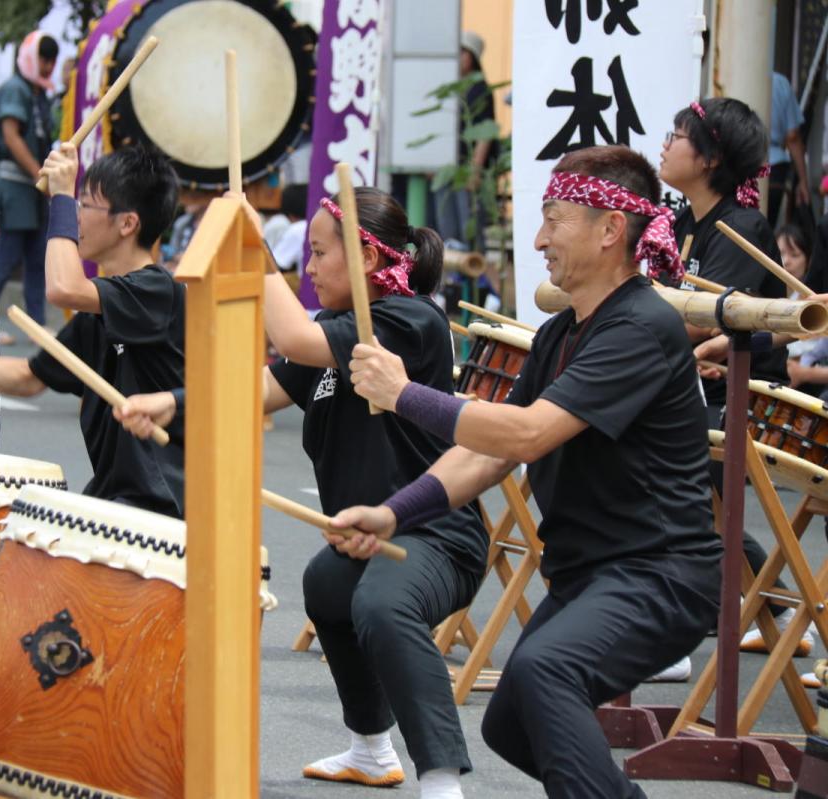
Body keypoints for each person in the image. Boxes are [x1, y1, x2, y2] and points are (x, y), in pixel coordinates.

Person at [336, 145, 722, 798]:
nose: (538, 238)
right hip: (590, 574)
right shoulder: (561, 333)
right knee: (512, 721)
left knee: (546, 673)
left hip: (661, 573)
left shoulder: (643, 325)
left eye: (553, 219)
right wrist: (395, 511)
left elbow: (531, 432)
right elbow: (492, 451)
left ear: (610, 230)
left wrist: (405, 393)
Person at [121, 187, 487, 798]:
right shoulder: (335, 331)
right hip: (367, 535)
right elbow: (252, 390)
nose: (308, 267)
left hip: (435, 532)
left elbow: (290, 340)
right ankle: (371, 750)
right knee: (327, 583)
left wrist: (254, 249)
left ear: (368, 260)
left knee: (383, 605)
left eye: (318, 254)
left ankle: (444, 781)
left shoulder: (409, 319)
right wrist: (170, 403)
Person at [0, 143, 184, 516]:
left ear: (127, 223)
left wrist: (61, 195)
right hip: (116, 496)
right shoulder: (103, 311)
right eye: (76, 204)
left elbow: (63, 289)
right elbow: (31, 378)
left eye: (85, 205)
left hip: (164, 503)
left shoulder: (157, 292)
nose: (76, 215)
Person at [665, 98, 812, 657]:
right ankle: (770, 603)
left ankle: (674, 631)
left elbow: (706, 322)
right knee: (693, 501)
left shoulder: (740, 227)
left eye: (677, 135)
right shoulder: (681, 222)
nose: (665, 144)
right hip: (699, 387)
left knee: (673, 480)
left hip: (747, 396)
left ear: (708, 157)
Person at [0, 31, 58, 335]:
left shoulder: (38, 92)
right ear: (30, 56)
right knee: (6, 256)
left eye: (51, 60)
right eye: (43, 58)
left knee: (36, 258)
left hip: (34, 188)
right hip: (17, 185)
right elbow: (11, 136)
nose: (47, 66)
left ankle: (37, 325)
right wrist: (37, 173)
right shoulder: (15, 89)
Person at [434, 31, 496, 251]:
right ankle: (451, 280)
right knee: (446, 226)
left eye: (462, 52)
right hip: (446, 169)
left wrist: (475, 169)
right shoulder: (451, 88)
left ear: (472, 57)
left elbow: (486, 132)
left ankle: (474, 280)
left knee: (468, 225)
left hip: (466, 169)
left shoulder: (480, 89)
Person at [767, 72, 811, 229]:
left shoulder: (735, 76)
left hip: (741, 165)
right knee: (773, 232)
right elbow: (793, 136)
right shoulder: (780, 82)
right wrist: (803, 182)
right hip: (775, 169)